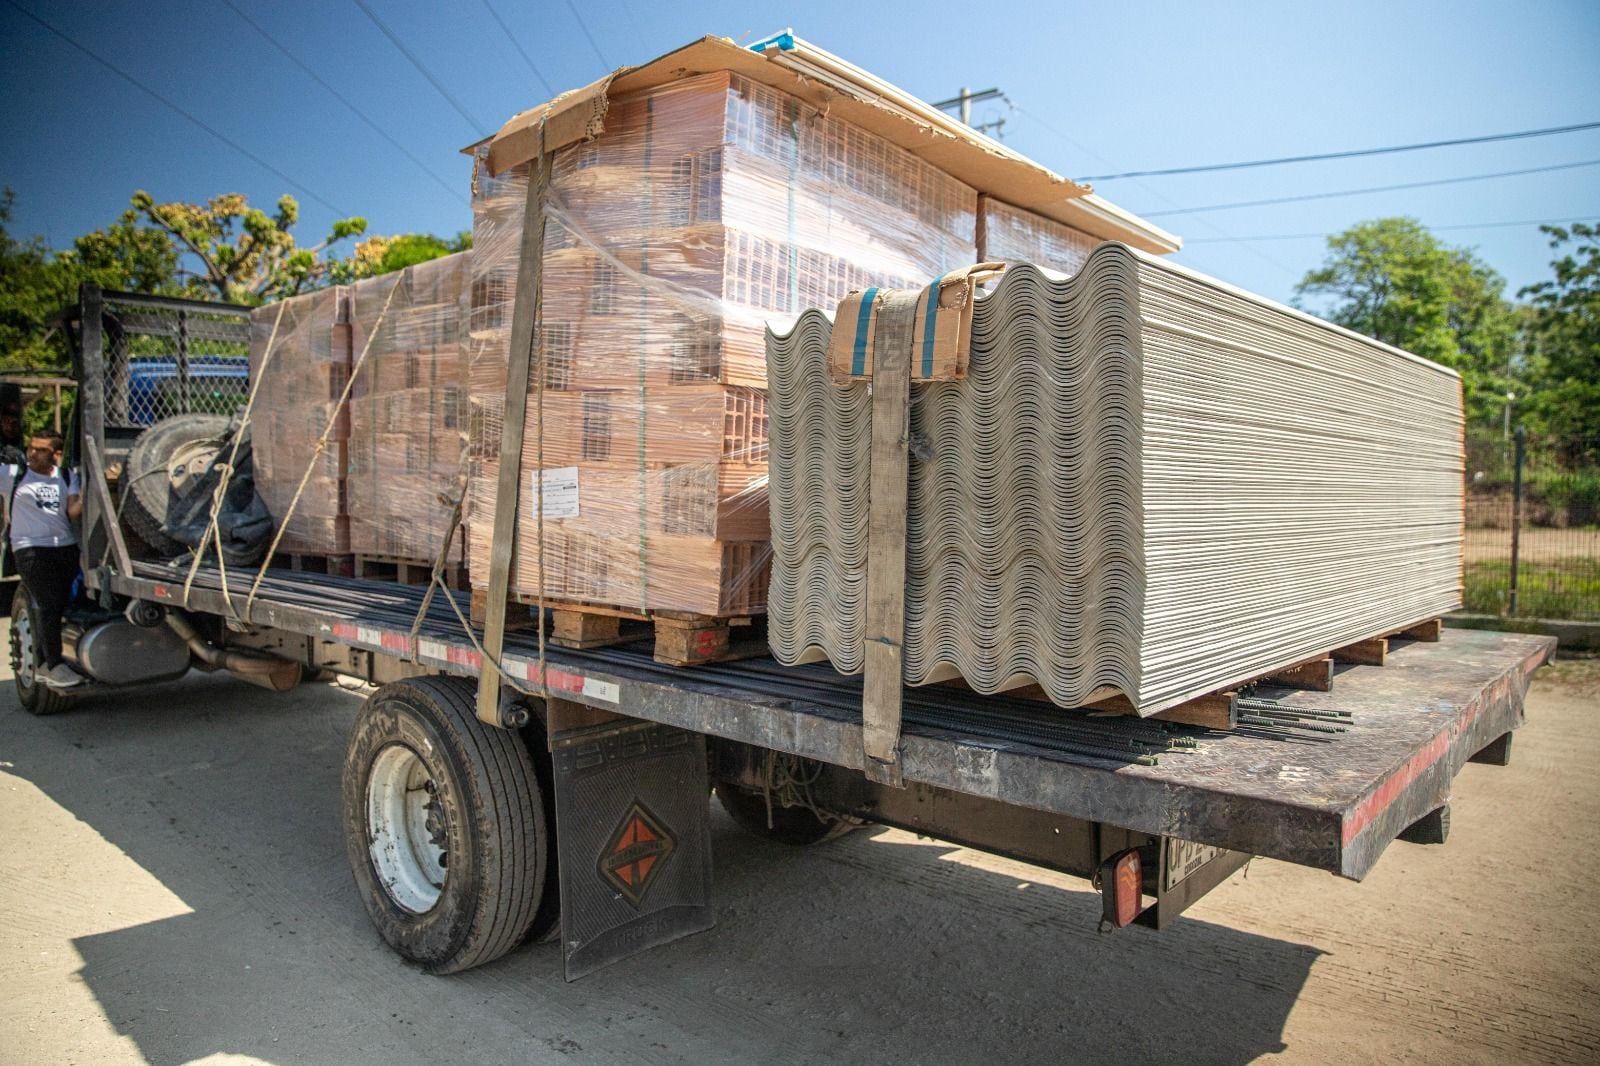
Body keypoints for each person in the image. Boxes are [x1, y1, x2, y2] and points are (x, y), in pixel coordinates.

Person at [1, 432, 84, 688]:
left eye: (41, 450)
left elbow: (72, 512)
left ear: (56, 455)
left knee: (69, 603)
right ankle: (51, 665)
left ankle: (68, 656)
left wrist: (91, 490)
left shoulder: (67, 477)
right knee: (48, 602)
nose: (33, 453)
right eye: (31, 448)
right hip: (30, 549)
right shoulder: (12, 474)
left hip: (65, 548)